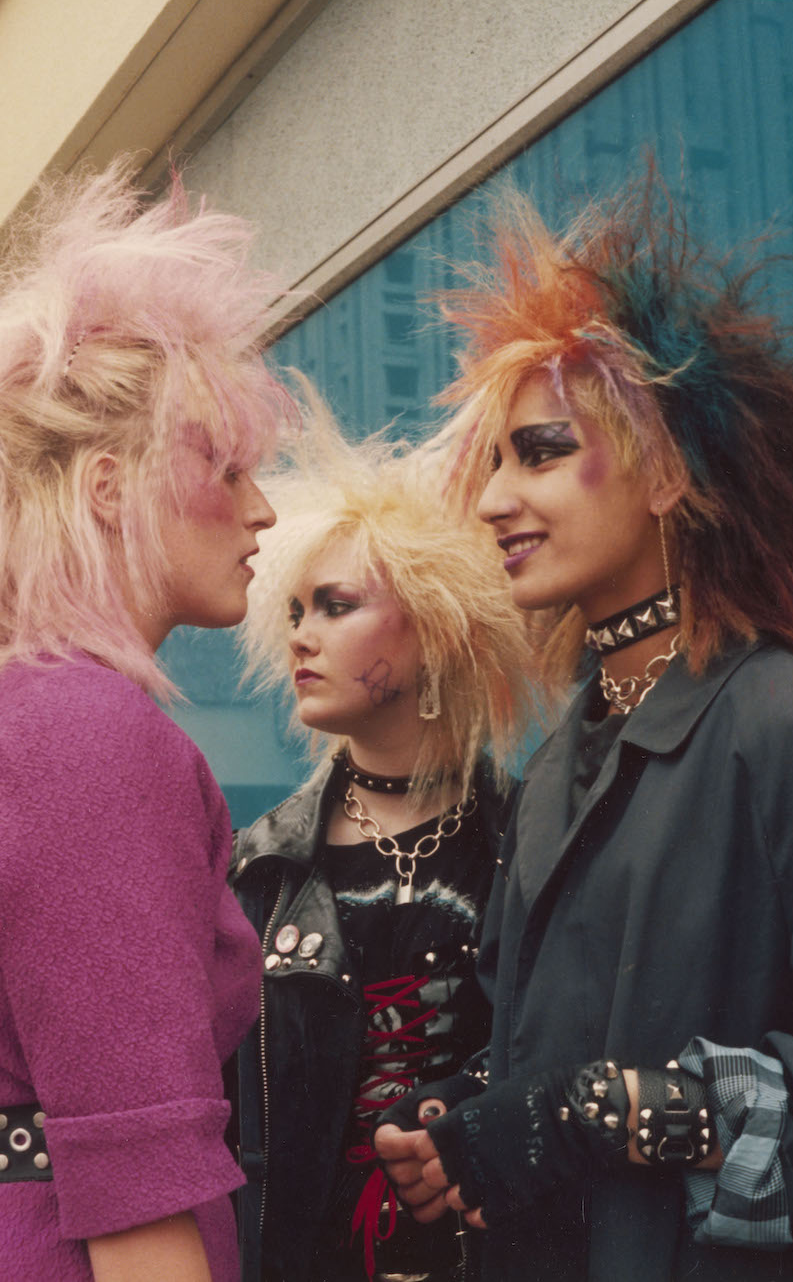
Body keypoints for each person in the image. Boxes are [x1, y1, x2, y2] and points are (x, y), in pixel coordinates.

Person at [376, 170, 793, 1280]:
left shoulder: (792, 725)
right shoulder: (558, 763)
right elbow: (554, 1057)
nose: (490, 501)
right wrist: (472, 1124)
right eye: (493, 461)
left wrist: (610, 1110)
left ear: (666, 468)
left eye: (542, 451)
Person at [0, 162, 292, 1281]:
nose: (264, 508)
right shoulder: (81, 735)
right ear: (105, 484)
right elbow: (140, 1193)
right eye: (227, 467)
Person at [230, 409, 537, 1282]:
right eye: (293, 610)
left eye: (336, 606)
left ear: (435, 625)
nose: (300, 633)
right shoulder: (264, 865)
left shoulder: (531, 840)